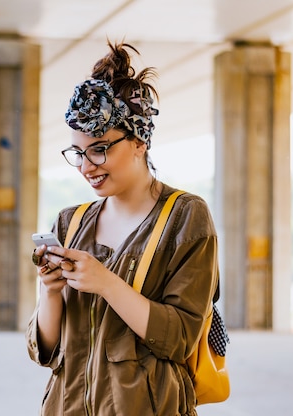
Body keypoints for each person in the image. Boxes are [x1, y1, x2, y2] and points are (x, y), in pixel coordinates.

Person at [26, 41, 222, 416]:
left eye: (99, 149)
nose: (86, 167)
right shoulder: (70, 222)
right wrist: (49, 291)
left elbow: (180, 339)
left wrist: (106, 283)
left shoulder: (185, 217)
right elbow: (48, 351)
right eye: (78, 153)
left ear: (138, 141)